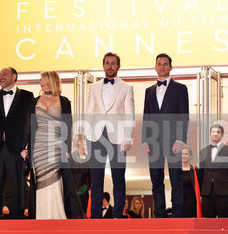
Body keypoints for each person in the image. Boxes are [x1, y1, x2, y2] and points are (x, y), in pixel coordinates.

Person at [24, 70, 83, 219]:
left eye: (43, 80)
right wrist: (24, 146)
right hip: (38, 147)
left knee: (56, 181)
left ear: (51, 81)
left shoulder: (64, 102)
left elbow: (68, 127)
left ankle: (57, 215)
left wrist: (67, 149)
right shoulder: (33, 102)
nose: (40, 83)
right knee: (41, 180)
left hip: (57, 146)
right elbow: (28, 127)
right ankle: (41, 215)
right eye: (40, 80)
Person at [86, 52, 135, 218]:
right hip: (96, 136)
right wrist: (86, 136)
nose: (110, 66)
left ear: (118, 66)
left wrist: (128, 137)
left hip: (118, 137)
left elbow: (129, 113)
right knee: (96, 179)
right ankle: (95, 216)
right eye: (107, 63)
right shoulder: (93, 87)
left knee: (118, 178)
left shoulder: (127, 88)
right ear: (103, 65)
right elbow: (88, 112)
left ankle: (118, 215)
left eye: (113, 63)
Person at [0, 67, 33, 219]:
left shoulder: (27, 96)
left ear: (14, 76)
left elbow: (30, 123)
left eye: (4, 74)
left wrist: (27, 145)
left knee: (17, 184)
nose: (0, 77)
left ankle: (18, 216)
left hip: (17, 148)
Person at [142, 53, 189, 218]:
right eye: (159, 64)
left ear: (170, 67)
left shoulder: (180, 88)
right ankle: (159, 215)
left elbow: (184, 115)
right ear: (155, 67)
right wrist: (145, 140)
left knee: (176, 179)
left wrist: (180, 139)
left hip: (173, 140)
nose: (162, 66)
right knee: (156, 180)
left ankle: (177, 216)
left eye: (165, 64)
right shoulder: (149, 91)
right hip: (153, 141)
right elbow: (146, 116)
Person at [199, 124, 228, 218]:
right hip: (207, 192)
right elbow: (201, 172)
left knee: (223, 220)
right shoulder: (203, 151)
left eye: (218, 132)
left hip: (223, 191)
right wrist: (202, 190)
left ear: (222, 135)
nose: (215, 134)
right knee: (208, 222)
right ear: (210, 134)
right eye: (213, 132)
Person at [69, 133, 91, 214]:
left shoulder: (88, 160)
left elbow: (90, 177)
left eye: (83, 141)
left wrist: (88, 187)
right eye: (80, 141)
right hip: (74, 191)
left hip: (84, 192)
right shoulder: (71, 158)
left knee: (83, 214)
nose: (83, 143)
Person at [181, 147, 202, 218]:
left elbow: (200, 185)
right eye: (182, 154)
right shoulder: (176, 171)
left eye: (186, 154)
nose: (183, 156)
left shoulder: (195, 170)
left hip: (192, 201)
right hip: (179, 201)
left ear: (190, 156)